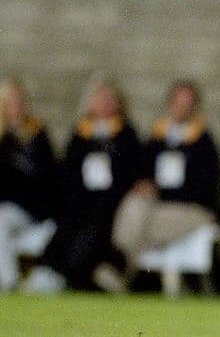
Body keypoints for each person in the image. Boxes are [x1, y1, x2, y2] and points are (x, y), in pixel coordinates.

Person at [24, 79, 140, 293]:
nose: (104, 105)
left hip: (109, 203)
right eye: (99, 100)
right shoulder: (81, 133)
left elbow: (130, 171)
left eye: (109, 100)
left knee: (94, 231)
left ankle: (68, 273)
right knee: (66, 225)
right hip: (80, 200)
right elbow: (69, 169)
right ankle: (47, 268)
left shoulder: (126, 134)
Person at [113, 80, 220, 281]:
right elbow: (142, 171)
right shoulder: (158, 137)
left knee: (139, 221)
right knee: (133, 204)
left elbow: (205, 188)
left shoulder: (204, 142)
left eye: (187, 103)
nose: (182, 108)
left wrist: (162, 193)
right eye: (178, 102)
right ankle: (120, 267)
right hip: (155, 207)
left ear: (195, 107)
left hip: (191, 209)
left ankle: (120, 267)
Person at [0, 80, 58, 292]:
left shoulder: (36, 134)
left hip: (28, 210)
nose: (16, 107)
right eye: (10, 103)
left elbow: (45, 176)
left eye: (19, 102)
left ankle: (8, 283)